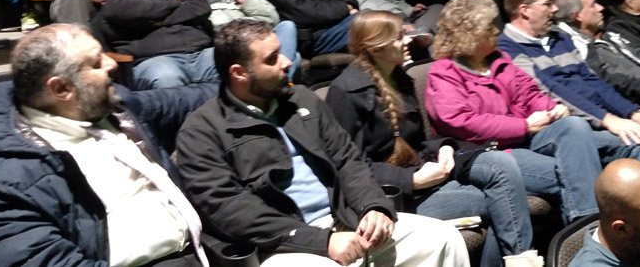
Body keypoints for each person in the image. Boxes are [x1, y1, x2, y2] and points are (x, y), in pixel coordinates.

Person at [176, 19, 470, 267]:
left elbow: (349, 160)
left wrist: (374, 206)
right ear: (239, 73)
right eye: (272, 58)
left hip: (347, 218)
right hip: (284, 244)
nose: (287, 62)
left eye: (281, 51)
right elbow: (230, 211)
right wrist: (321, 241)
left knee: (441, 238)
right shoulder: (201, 131)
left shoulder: (302, 99)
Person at [0, 24, 217, 267]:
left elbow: (182, 99)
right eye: (96, 62)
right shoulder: (0, 183)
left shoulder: (114, 108)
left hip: (201, 247)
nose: (112, 63)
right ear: (62, 89)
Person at [327, 11, 536, 267]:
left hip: (424, 171)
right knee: (504, 203)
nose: (408, 41)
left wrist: (444, 147)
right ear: (375, 46)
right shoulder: (345, 92)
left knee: (499, 165)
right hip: (392, 198)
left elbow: (419, 140)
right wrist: (411, 180)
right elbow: (348, 168)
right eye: (399, 37)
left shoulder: (398, 77)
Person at [426, 0, 605, 226]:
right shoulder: (444, 72)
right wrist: (524, 126)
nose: (497, 31)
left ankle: (590, 222)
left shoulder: (498, 59)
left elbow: (528, 93)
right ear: (470, 35)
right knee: (576, 172)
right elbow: (459, 121)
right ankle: (589, 225)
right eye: (489, 27)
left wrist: (552, 109)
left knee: (574, 125)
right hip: (490, 151)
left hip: (525, 138)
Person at [497, 0, 640, 167]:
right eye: (547, 4)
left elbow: (593, 81)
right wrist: (608, 120)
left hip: (604, 114)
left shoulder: (559, 38)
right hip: (573, 126)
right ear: (525, 10)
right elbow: (552, 92)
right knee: (639, 143)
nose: (555, 9)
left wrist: (632, 112)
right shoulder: (507, 49)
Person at [95, 0, 217, 90]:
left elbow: (202, 7)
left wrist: (156, 19)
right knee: (167, 77)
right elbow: (123, 10)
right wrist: (177, 4)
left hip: (201, 53)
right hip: (157, 60)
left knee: (233, 62)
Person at [200, 0, 300, 81]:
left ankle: (281, 82)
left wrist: (247, 2)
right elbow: (226, 28)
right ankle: (284, 82)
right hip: (238, 48)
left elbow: (274, 18)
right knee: (295, 57)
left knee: (287, 26)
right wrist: (256, 22)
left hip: (261, 39)